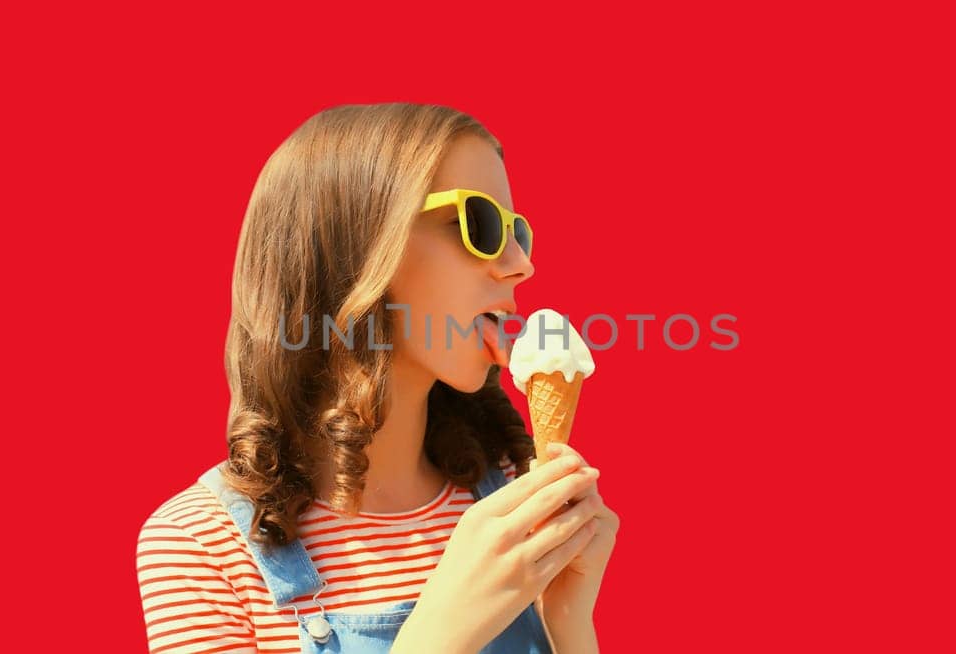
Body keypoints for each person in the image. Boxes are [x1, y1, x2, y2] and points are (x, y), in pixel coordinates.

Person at [136, 103, 619, 653]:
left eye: (518, 232)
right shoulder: (200, 546)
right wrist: (441, 633)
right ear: (359, 245)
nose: (519, 264)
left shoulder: (509, 491)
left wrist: (570, 623)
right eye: (480, 225)